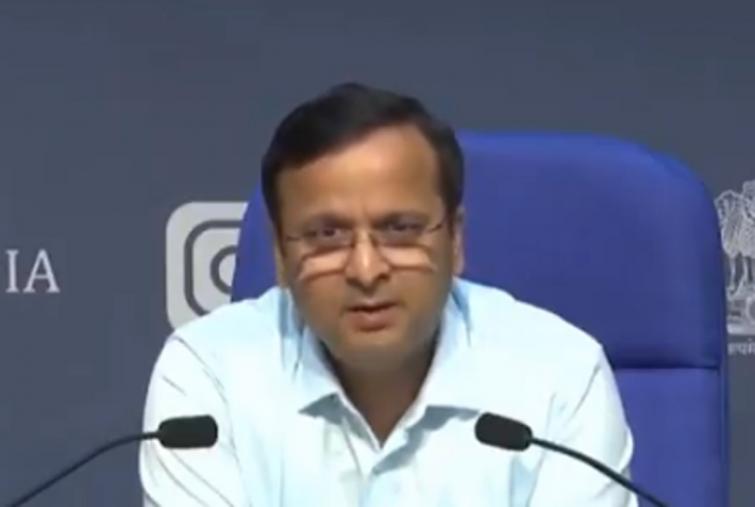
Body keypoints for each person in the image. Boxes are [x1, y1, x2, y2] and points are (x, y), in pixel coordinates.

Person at [140, 82, 637, 506]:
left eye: (400, 229)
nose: (366, 269)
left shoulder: (559, 374)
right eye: (327, 236)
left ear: (455, 240)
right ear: (280, 255)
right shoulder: (209, 373)